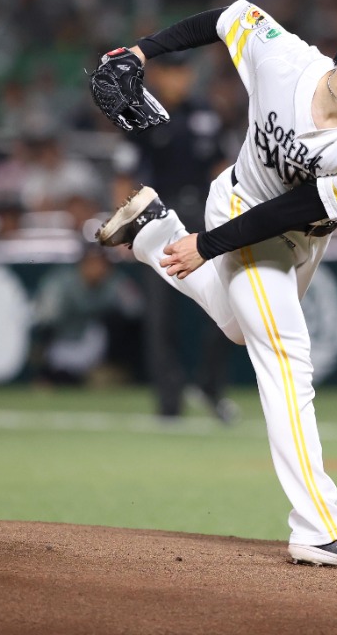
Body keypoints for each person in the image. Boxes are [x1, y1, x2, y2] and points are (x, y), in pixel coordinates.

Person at [96, 0, 337, 572]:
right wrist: (140, 51)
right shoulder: (282, 58)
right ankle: (320, 527)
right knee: (285, 354)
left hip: (299, 236)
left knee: (239, 329)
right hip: (238, 206)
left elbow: (298, 208)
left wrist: (204, 245)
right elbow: (227, 16)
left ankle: (154, 234)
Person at [110, 52, 239, 423]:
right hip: (159, 219)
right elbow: (124, 175)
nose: (179, 79)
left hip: (205, 215)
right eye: (172, 72)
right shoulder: (140, 114)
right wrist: (125, 226)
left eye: (184, 71)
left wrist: (231, 215)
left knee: (226, 304)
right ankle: (169, 401)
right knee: (160, 315)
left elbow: (222, 169)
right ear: (159, 75)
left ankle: (209, 386)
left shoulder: (207, 113)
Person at [29, 244, 144, 387]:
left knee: (117, 324)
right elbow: (44, 317)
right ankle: (47, 376)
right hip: (62, 343)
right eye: (92, 262)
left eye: (101, 263)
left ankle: (110, 371)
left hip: (93, 344)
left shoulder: (114, 282)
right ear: (82, 263)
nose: (97, 268)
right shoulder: (62, 281)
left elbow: (136, 309)